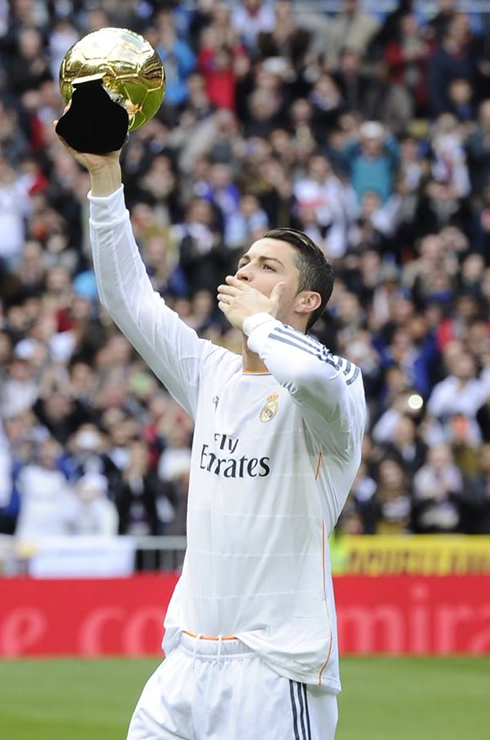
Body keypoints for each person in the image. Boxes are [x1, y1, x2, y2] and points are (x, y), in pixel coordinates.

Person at [55, 122, 365, 739]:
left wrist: (262, 327)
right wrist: (104, 177)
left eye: (268, 267)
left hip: (276, 672)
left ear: (305, 301)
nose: (246, 270)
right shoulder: (211, 373)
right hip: (186, 663)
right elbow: (128, 300)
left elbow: (315, 379)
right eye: (245, 260)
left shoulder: (336, 385)